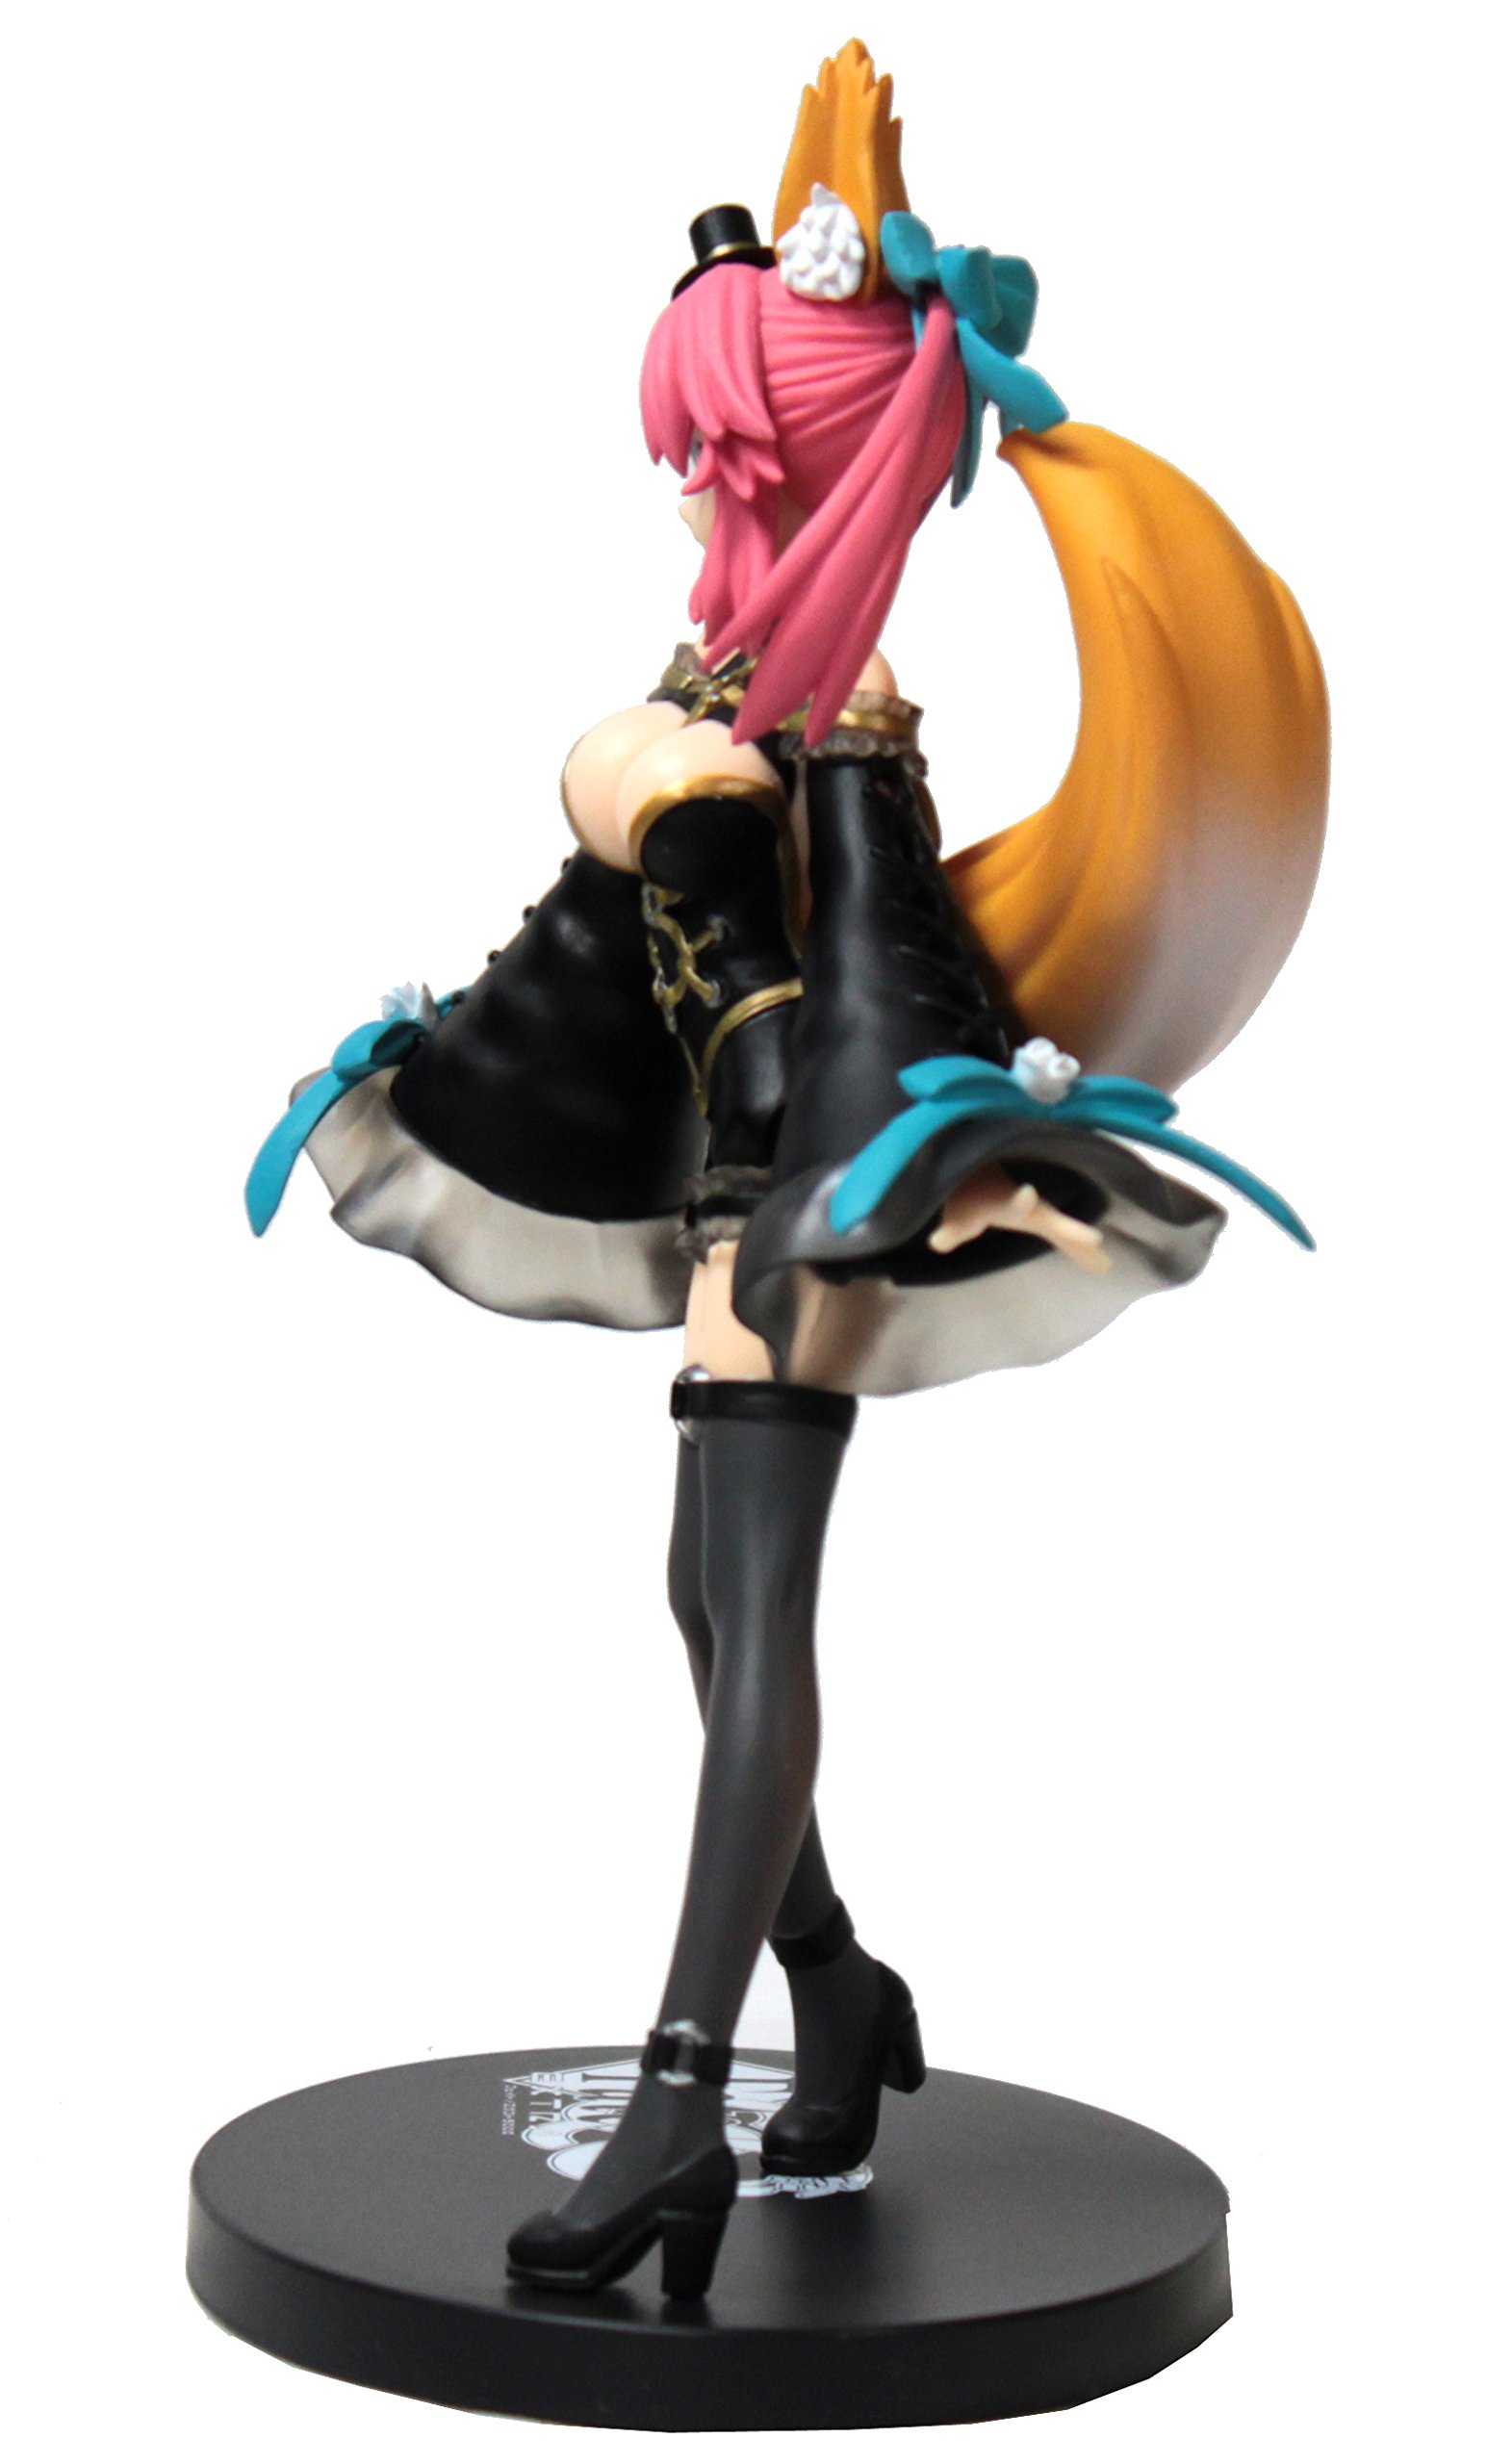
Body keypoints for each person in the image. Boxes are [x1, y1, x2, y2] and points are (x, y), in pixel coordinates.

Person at [248, 42, 1327, 2301]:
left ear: (814, 473)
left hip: (805, 1185)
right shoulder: (728, 682)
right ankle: (833, 1986)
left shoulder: (839, 734)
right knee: (697, 1598)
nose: (693, 495)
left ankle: (676, 2102)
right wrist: (630, 786)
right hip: (740, 1172)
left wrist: (852, 1104)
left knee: (757, 1607)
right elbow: (624, 848)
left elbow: (846, 965)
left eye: (727, 459)